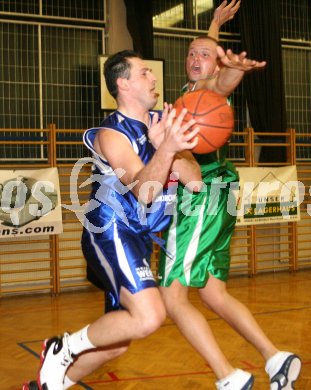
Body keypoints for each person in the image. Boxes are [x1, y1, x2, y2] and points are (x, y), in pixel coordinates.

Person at [23, 50, 203, 390]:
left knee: (118, 341)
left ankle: (51, 385)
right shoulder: (111, 134)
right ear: (123, 83)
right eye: (145, 72)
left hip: (140, 236)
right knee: (150, 316)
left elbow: (195, 180)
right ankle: (63, 347)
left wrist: (171, 146)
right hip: (110, 230)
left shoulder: (162, 125)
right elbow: (144, 190)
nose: (153, 79)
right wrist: (165, 150)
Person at [158, 33, 302, 390]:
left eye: (204, 55)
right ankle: (275, 357)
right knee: (213, 293)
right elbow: (208, 65)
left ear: (217, 62)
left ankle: (228, 377)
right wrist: (214, 28)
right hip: (223, 192)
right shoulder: (193, 89)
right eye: (191, 53)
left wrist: (234, 70)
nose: (195, 58)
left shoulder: (206, 94)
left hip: (200, 195)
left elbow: (220, 83)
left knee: (171, 296)